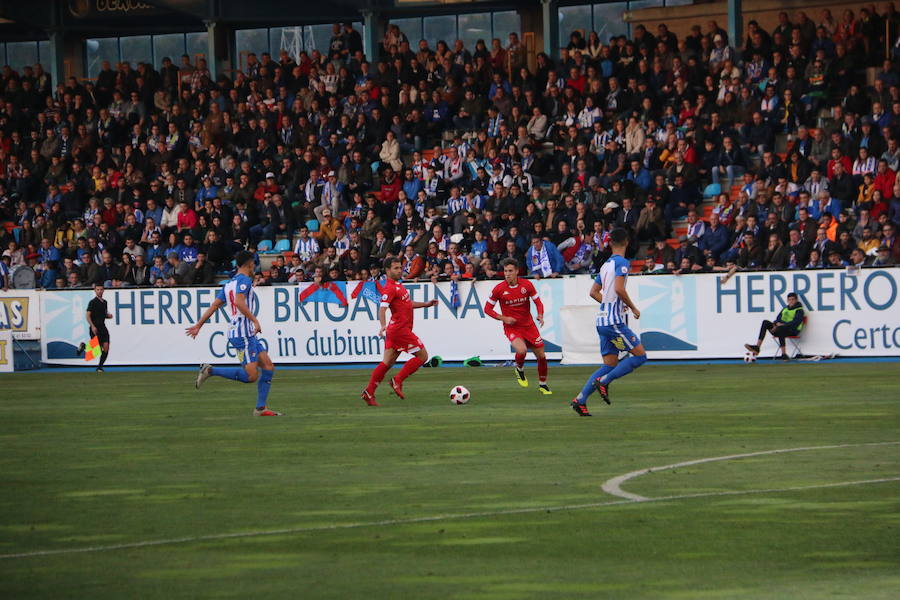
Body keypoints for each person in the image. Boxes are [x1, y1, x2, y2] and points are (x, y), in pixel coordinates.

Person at [187, 251, 282, 416]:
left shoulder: (230, 283)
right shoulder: (245, 280)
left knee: (268, 366)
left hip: (243, 334)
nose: (254, 267)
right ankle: (210, 370)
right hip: (242, 334)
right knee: (251, 375)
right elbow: (239, 302)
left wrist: (199, 325)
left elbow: (215, 305)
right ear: (249, 264)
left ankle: (260, 409)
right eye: (253, 263)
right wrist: (255, 320)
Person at [571, 228, 648, 416]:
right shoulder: (622, 263)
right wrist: (632, 307)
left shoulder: (606, 265)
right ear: (627, 242)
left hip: (602, 321)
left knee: (609, 364)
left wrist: (611, 302)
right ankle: (604, 382)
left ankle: (580, 400)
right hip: (613, 322)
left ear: (611, 242)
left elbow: (593, 292)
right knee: (640, 356)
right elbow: (620, 289)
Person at [361, 256, 439, 406]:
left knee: (387, 363)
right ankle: (397, 380)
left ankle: (369, 392)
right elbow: (382, 309)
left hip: (397, 330)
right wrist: (382, 325)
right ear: (388, 270)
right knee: (423, 356)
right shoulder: (390, 288)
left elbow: (407, 304)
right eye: (396, 268)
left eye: (400, 267)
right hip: (399, 330)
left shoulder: (398, 285)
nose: (399, 270)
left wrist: (425, 304)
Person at [483, 258, 551, 394]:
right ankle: (519, 369)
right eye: (505, 271)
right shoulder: (499, 289)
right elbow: (487, 309)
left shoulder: (527, 285)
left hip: (529, 326)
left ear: (517, 272)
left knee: (542, 356)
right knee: (521, 351)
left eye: (510, 271)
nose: (507, 274)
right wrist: (504, 318)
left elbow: (538, 302)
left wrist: (540, 315)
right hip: (512, 327)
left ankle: (543, 385)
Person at [743, 292, 806, 360]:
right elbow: (778, 319)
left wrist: (782, 325)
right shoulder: (785, 309)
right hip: (780, 328)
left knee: (781, 328)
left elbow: (795, 323)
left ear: (796, 300)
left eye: (793, 299)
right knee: (765, 322)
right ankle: (757, 347)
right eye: (789, 300)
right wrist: (775, 325)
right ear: (787, 300)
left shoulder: (799, 310)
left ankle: (784, 354)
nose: (791, 301)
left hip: (792, 330)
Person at [84, 282, 112, 372]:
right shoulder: (92, 302)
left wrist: (108, 316)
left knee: (106, 347)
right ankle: (83, 346)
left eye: (101, 289)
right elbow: (88, 315)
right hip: (95, 327)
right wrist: (92, 326)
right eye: (98, 290)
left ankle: (99, 367)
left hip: (103, 327)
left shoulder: (105, 302)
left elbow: (102, 315)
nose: (99, 291)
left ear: (103, 290)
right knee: (96, 350)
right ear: (95, 291)